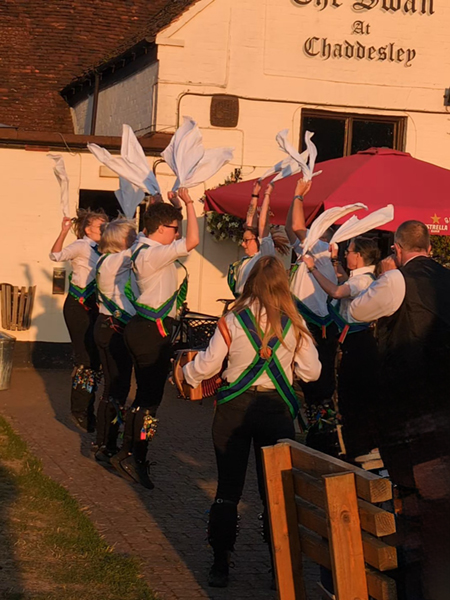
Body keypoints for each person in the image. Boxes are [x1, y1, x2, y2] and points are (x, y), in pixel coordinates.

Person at [183, 256, 321, 588]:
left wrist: (186, 372)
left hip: (234, 409)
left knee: (228, 488)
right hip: (276, 413)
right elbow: (311, 372)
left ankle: (220, 564)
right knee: (274, 491)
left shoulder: (232, 320)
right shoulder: (294, 322)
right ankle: (280, 567)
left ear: (251, 282)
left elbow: (207, 366)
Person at [350, 221, 450, 600]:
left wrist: (385, 274)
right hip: (445, 421)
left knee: (421, 526)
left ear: (397, 248)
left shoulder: (396, 281)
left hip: (412, 427)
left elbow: (354, 312)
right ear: (429, 246)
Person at [110, 189, 199, 489]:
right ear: (161, 229)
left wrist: (172, 207)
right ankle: (133, 456)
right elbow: (192, 242)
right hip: (151, 333)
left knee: (144, 400)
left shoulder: (144, 247)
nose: (177, 233)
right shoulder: (154, 254)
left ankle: (128, 452)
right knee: (150, 402)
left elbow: (176, 238)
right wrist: (188, 204)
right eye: (173, 228)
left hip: (142, 329)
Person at [303, 236, 380, 460]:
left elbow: (337, 292)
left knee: (351, 396)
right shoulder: (365, 278)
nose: (347, 254)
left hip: (357, 346)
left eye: (350, 251)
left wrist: (313, 269)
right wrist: (335, 261)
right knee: (352, 395)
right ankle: (357, 444)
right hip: (359, 344)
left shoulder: (361, 281)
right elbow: (345, 282)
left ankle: (357, 448)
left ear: (359, 256)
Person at [286, 178, 339, 449]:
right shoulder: (322, 253)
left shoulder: (319, 250)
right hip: (319, 323)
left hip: (315, 324)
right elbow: (293, 228)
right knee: (318, 384)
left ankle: (321, 435)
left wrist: (297, 195)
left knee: (315, 382)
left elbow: (296, 227)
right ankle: (321, 432)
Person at [50, 208, 107, 431]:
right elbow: (55, 255)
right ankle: (79, 410)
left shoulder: (104, 250)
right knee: (85, 357)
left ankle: (87, 407)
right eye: (100, 226)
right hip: (78, 306)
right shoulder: (82, 245)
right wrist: (63, 232)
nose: (104, 230)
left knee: (94, 359)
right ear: (88, 229)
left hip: (93, 306)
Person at [93, 217, 138, 465]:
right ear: (120, 239)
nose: (133, 238)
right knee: (116, 388)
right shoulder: (116, 259)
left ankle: (105, 441)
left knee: (112, 388)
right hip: (113, 328)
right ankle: (107, 444)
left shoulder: (106, 260)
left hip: (105, 325)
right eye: (130, 235)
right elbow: (143, 249)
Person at [227, 181, 289, 297]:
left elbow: (263, 225)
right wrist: (255, 195)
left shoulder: (264, 255)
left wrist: (267, 195)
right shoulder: (246, 259)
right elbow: (250, 219)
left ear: (257, 240)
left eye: (246, 241)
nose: (243, 244)